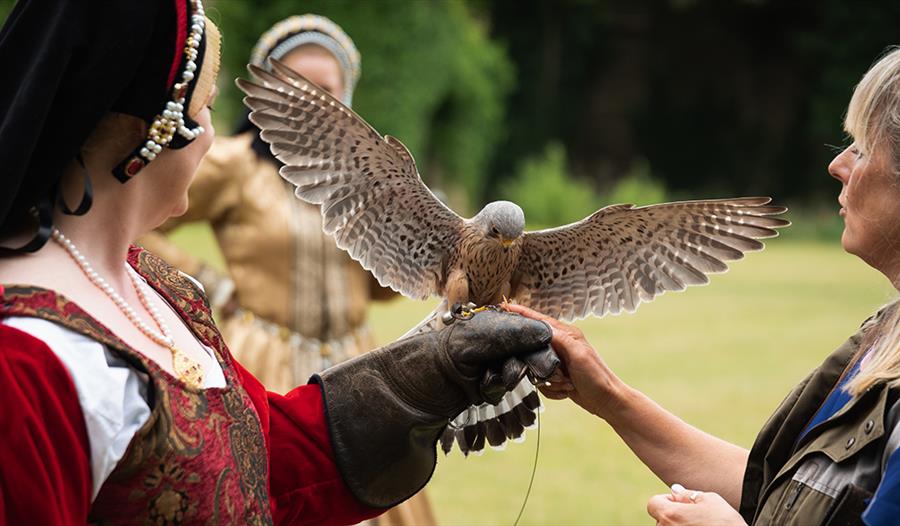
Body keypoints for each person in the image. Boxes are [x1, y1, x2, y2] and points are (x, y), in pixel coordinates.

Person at [0, 2, 554, 524]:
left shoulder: (157, 290)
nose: (217, 133)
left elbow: (260, 465)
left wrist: (425, 375)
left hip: (340, 350)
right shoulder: (25, 357)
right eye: (208, 106)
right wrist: (220, 282)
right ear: (154, 131)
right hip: (271, 342)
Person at [507, 47, 900, 526]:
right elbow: (772, 488)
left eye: (860, 148)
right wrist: (605, 393)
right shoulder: (880, 342)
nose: (837, 164)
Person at [141, 14, 396, 396]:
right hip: (263, 374)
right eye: (296, 87)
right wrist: (208, 285)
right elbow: (139, 219)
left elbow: (382, 292)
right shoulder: (235, 165)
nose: (314, 103)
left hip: (356, 375)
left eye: (326, 89)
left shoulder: (360, 180)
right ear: (267, 93)